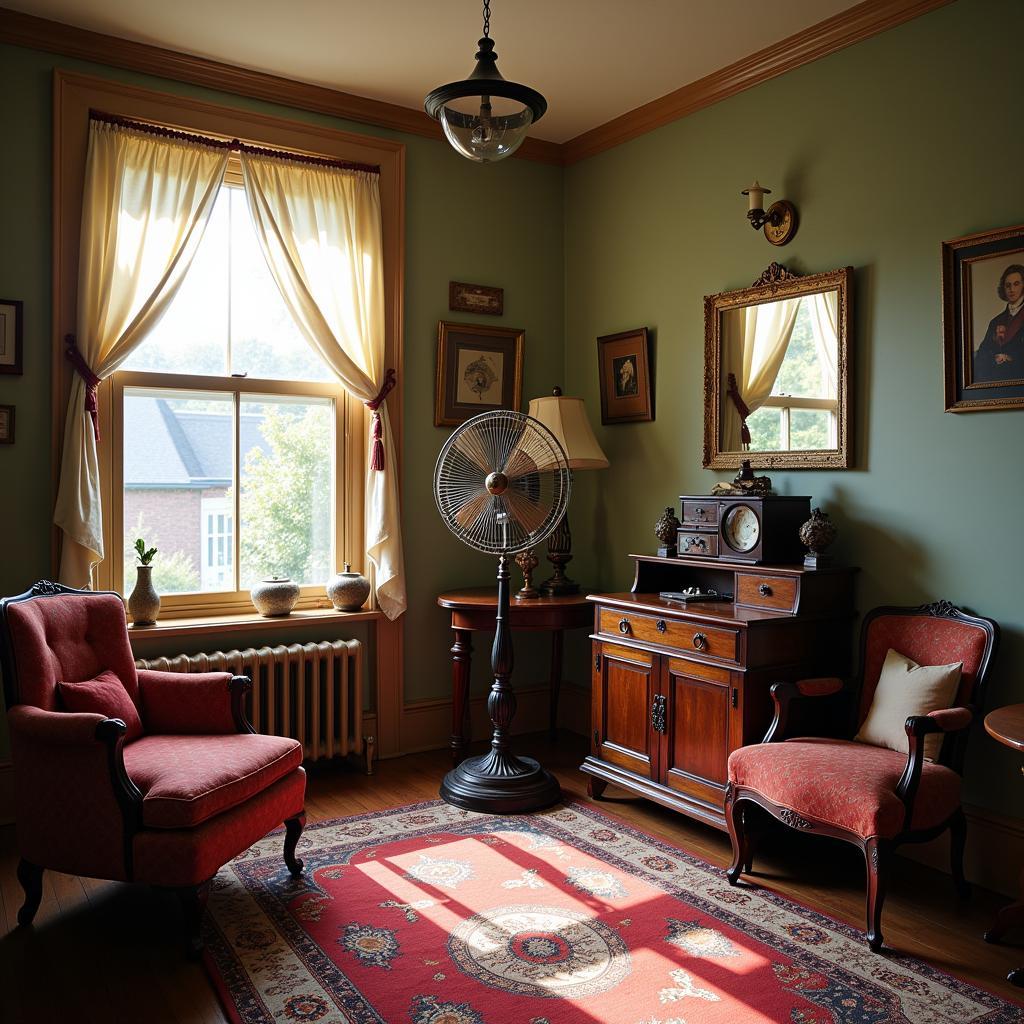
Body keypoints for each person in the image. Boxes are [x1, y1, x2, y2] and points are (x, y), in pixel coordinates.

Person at [974, 263, 1024, 383]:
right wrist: (993, 359)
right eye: (1008, 285)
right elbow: (983, 353)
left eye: (1016, 284)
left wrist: (1010, 358)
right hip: (997, 382)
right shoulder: (996, 321)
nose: (1012, 289)